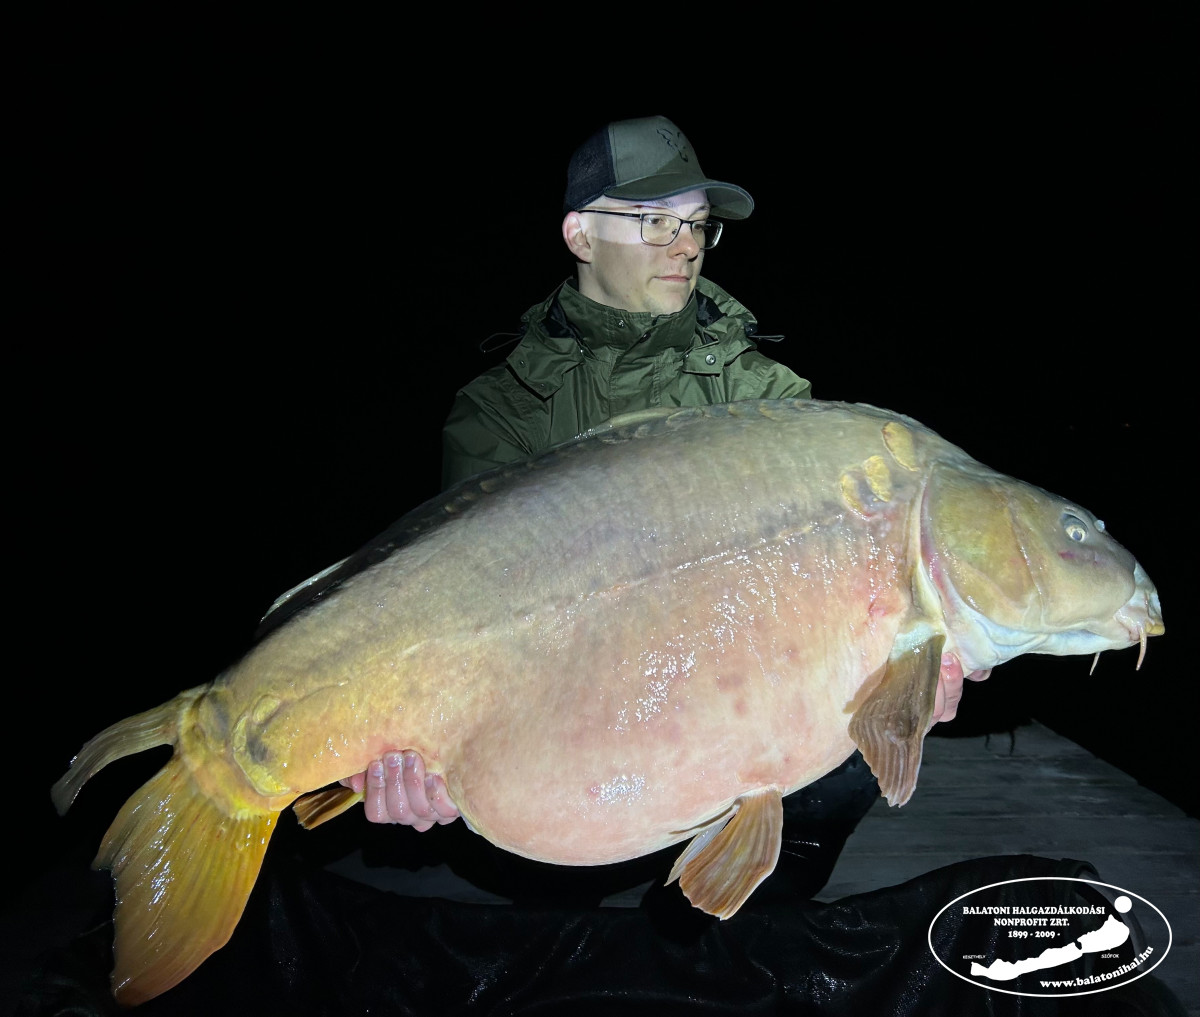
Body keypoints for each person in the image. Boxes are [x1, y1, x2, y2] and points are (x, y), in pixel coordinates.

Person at [337, 115, 968, 899]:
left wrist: (911, 663)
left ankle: (729, 921)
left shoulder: (768, 401)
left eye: (698, 225)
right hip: (573, 746)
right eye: (656, 220)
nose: (687, 245)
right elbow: (460, 615)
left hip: (724, 718)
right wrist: (423, 752)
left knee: (838, 773)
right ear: (579, 234)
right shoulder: (501, 411)